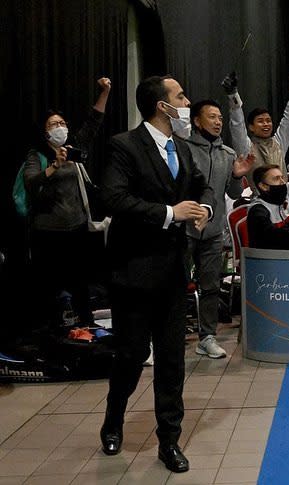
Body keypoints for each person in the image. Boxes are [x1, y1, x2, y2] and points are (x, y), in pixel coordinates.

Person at [99, 75, 215, 472]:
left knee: (172, 361)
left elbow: (202, 189)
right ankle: (114, 419)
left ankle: (169, 440)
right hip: (133, 271)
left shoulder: (181, 148)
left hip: (172, 272)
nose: (187, 102)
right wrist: (170, 214)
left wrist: (203, 211)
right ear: (161, 106)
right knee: (130, 356)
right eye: (181, 96)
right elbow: (113, 197)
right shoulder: (123, 146)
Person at [23, 77, 111, 328]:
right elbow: (31, 182)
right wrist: (55, 166)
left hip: (77, 228)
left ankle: (87, 327)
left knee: (82, 283)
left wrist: (104, 92)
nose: (60, 127)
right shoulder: (37, 155)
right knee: (49, 286)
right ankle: (51, 332)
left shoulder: (74, 148)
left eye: (62, 123)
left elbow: (94, 121)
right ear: (45, 132)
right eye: (54, 124)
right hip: (49, 232)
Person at [183, 99, 253, 359]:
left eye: (220, 118)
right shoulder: (184, 148)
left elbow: (233, 193)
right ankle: (169, 333)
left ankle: (207, 337)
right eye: (211, 117)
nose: (217, 122)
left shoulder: (227, 153)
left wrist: (238, 175)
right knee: (177, 284)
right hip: (184, 229)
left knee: (210, 285)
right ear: (197, 121)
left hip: (212, 232)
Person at [224, 70, 289, 188]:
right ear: (251, 127)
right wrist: (233, 94)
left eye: (268, 121)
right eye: (260, 121)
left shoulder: (278, 143)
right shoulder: (246, 148)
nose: (266, 124)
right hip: (258, 203)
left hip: (283, 202)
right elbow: (237, 125)